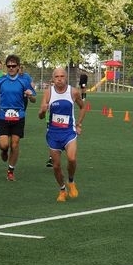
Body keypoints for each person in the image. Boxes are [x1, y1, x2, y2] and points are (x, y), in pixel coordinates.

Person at [39, 67, 88, 201]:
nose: (59, 79)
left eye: (62, 76)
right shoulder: (48, 92)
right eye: (57, 77)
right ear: (53, 79)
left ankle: (71, 182)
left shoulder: (73, 92)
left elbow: (83, 107)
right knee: (56, 166)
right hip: (53, 134)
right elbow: (40, 116)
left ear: (66, 78)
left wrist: (78, 124)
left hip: (69, 132)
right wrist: (43, 111)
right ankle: (62, 190)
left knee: (72, 159)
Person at [0, 54, 36, 181]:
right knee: (4, 144)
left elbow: (34, 99)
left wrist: (30, 95)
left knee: (15, 144)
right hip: (2, 116)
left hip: (19, 116)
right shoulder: (0, 80)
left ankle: (11, 170)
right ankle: (3, 150)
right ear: (6, 67)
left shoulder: (24, 81)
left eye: (14, 66)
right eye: (9, 66)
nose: (11, 68)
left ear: (18, 67)